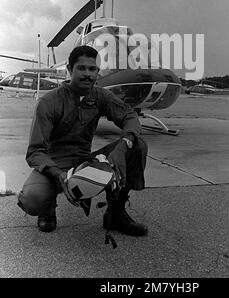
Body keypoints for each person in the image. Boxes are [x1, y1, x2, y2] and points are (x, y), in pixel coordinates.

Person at [17, 45, 148, 237]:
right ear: (69, 70)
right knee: (32, 199)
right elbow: (35, 152)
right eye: (81, 68)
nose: (87, 74)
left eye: (92, 69)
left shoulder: (100, 95)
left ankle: (116, 213)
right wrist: (58, 174)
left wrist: (122, 146)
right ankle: (48, 208)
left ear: (97, 72)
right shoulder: (49, 102)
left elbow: (129, 116)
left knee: (137, 145)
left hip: (84, 162)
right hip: (55, 166)